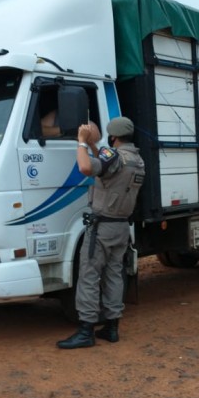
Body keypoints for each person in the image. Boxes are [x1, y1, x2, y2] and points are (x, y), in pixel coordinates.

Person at [57, 116, 145, 349]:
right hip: (121, 226)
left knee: (88, 275)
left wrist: (82, 142)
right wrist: (96, 147)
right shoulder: (136, 159)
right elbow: (107, 166)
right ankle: (112, 327)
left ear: (113, 137)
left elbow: (87, 167)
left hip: (102, 227)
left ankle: (86, 330)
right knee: (114, 274)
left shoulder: (114, 156)